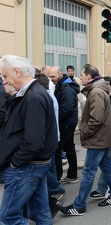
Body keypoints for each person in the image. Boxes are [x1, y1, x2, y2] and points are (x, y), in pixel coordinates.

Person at [0, 55, 58, 224]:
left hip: (27, 165)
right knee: (40, 212)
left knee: (8, 216)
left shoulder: (33, 96)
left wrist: (15, 163)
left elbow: (33, 141)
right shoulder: (31, 93)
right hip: (33, 164)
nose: (4, 81)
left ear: (17, 72)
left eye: (4, 76)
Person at [60, 64, 111, 216]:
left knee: (88, 172)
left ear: (89, 76)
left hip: (97, 139)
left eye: (82, 74)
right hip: (101, 138)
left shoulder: (95, 92)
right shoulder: (98, 90)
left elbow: (97, 118)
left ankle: (79, 206)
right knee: (107, 168)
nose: (79, 77)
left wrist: (85, 131)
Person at [34, 73, 65, 218]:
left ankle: (56, 189)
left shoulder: (44, 97)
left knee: (45, 170)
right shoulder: (49, 96)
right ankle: (55, 190)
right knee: (49, 168)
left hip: (48, 139)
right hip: (52, 138)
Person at [48, 66, 80, 183]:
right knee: (69, 147)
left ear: (60, 74)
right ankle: (72, 175)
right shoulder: (63, 86)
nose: (51, 79)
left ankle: (57, 177)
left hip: (66, 123)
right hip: (68, 123)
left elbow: (66, 109)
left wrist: (54, 118)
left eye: (53, 76)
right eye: (49, 76)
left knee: (57, 149)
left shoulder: (66, 89)